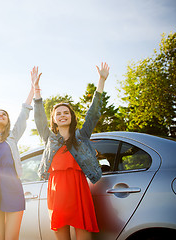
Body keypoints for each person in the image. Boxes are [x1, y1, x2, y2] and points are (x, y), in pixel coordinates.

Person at [32, 63, 110, 240]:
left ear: (71, 116)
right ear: (54, 119)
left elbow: (94, 113)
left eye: (65, 112)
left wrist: (101, 81)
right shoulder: (50, 138)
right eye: (58, 113)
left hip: (78, 187)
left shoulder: (81, 136)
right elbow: (38, 117)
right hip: (56, 188)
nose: (62, 115)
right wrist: (36, 89)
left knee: (83, 233)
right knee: (61, 233)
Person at [0, 69, 35, 240]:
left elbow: (24, 113)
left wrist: (33, 88)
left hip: (12, 189)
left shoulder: (13, 136)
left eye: (4, 114)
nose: (0, 115)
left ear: (8, 121)